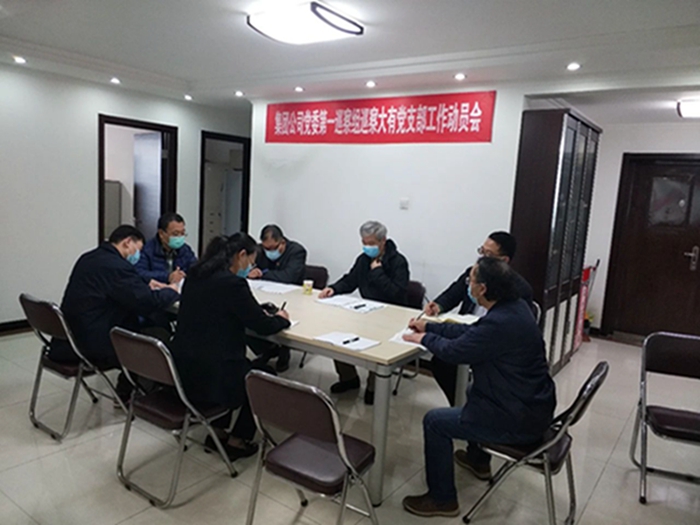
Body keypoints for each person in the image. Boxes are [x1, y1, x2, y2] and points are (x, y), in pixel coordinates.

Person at [401, 257, 556, 517]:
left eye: (470, 280)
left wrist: (424, 338)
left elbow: (454, 352)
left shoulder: (501, 322)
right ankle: (477, 460)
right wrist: (430, 326)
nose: (468, 285)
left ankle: (442, 499)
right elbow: (472, 334)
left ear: (482, 288)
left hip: (517, 420)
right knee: (472, 391)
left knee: (435, 422)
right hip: (532, 406)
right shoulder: (514, 308)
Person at [170, 233, 291, 461]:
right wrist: (282, 318)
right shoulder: (233, 284)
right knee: (264, 375)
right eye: (250, 261)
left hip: (182, 371)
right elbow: (262, 326)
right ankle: (238, 440)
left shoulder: (195, 275)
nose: (250, 267)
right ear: (241, 255)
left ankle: (217, 432)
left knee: (230, 364)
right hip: (215, 377)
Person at [49, 225, 180, 398]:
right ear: (127, 242)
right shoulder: (116, 266)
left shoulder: (91, 257)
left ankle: (132, 386)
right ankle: (134, 391)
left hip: (71, 336)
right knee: (158, 333)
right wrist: (172, 290)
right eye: (138, 249)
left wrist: (146, 283)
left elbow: (121, 283)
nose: (137, 255)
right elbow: (146, 302)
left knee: (151, 322)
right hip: (93, 342)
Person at [424, 231, 534, 407]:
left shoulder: (518, 289)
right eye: (481, 251)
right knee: (441, 362)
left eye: (488, 255)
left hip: (493, 343)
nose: (482, 258)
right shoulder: (474, 273)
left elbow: (511, 334)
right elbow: (452, 293)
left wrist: (426, 335)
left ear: (504, 260)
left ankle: (470, 407)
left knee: (451, 355)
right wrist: (438, 305)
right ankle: (460, 405)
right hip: (467, 330)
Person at [318, 220, 409, 405]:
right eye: (364, 242)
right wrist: (334, 288)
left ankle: (374, 387)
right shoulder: (363, 260)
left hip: (390, 316)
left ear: (383, 241)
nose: (367, 247)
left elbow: (397, 293)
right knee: (338, 334)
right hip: (366, 312)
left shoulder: (398, 262)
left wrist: (378, 273)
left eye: (371, 243)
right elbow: (350, 280)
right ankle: (349, 378)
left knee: (377, 345)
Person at [247, 224, 307, 371]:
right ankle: (269, 349)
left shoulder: (297, 251)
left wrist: (262, 274)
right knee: (250, 316)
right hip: (264, 292)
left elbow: (288, 277)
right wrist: (251, 272)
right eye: (266, 248)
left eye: (272, 248)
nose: (269, 252)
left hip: (292, 297)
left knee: (283, 316)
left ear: (282, 242)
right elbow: (250, 268)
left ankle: (284, 351)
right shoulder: (259, 250)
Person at [135, 212, 197, 285]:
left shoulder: (185, 249)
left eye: (182, 233)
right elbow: (139, 273)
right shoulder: (147, 250)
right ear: (161, 233)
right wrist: (168, 277)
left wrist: (184, 274)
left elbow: (195, 268)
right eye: (175, 234)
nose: (179, 237)